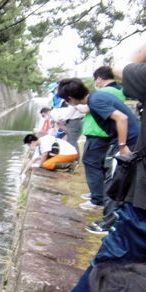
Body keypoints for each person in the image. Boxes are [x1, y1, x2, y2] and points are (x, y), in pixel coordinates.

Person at [14, 45, 146, 292]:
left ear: (73, 97)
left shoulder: (99, 97)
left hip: (142, 196)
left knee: (112, 257)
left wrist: (124, 148)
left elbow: (123, 72)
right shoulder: (93, 103)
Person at [54, 78, 140, 211]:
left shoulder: (95, 100)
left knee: (114, 178)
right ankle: (109, 212)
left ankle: (109, 220)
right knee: (113, 174)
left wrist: (122, 146)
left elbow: (122, 118)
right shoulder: (96, 97)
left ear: (71, 98)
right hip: (126, 139)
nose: (68, 103)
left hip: (130, 141)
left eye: (66, 100)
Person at [78, 66, 127, 232]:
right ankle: (97, 195)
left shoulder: (101, 95)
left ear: (99, 78)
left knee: (93, 164)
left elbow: (88, 109)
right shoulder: (120, 91)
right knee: (103, 168)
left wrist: (122, 145)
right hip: (107, 136)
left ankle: (97, 198)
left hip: (99, 135)